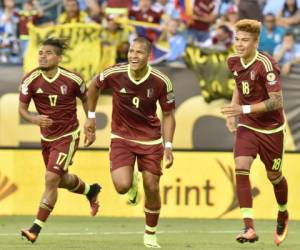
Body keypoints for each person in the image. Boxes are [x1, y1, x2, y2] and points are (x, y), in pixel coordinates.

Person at [84, 37, 176, 248]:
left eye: (139, 52)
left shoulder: (161, 81)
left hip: (151, 140)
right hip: (122, 137)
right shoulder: (115, 73)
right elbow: (93, 86)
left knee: (152, 187)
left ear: (148, 56)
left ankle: (150, 234)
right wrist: (90, 116)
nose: (134, 56)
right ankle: (131, 182)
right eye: (131, 51)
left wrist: (168, 146)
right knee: (122, 186)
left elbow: (169, 115)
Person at [19, 37, 101, 243]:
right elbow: (22, 110)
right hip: (46, 138)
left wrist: (90, 123)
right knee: (60, 179)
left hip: (68, 135)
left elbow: (86, 98)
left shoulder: (73, 79)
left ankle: (35, 229)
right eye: (40, 53)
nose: (43, 56)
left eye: (48, 53)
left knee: (50, 179)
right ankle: (91, 190)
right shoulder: (30, 80)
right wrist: (34, 118)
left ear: (59, 57)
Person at [221, 19, 289, 246]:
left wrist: (243, 109)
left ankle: (282, 212)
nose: (239, 44)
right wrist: (234, 112)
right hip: (248, 125)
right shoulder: (233, 62)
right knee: (240, 166)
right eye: (237, 39)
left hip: (271, 129)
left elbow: (276, 102)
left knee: (274, 176)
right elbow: (239, 85)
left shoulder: (267, 65)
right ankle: (249, 227)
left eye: (245, 40)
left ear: (256, 42)